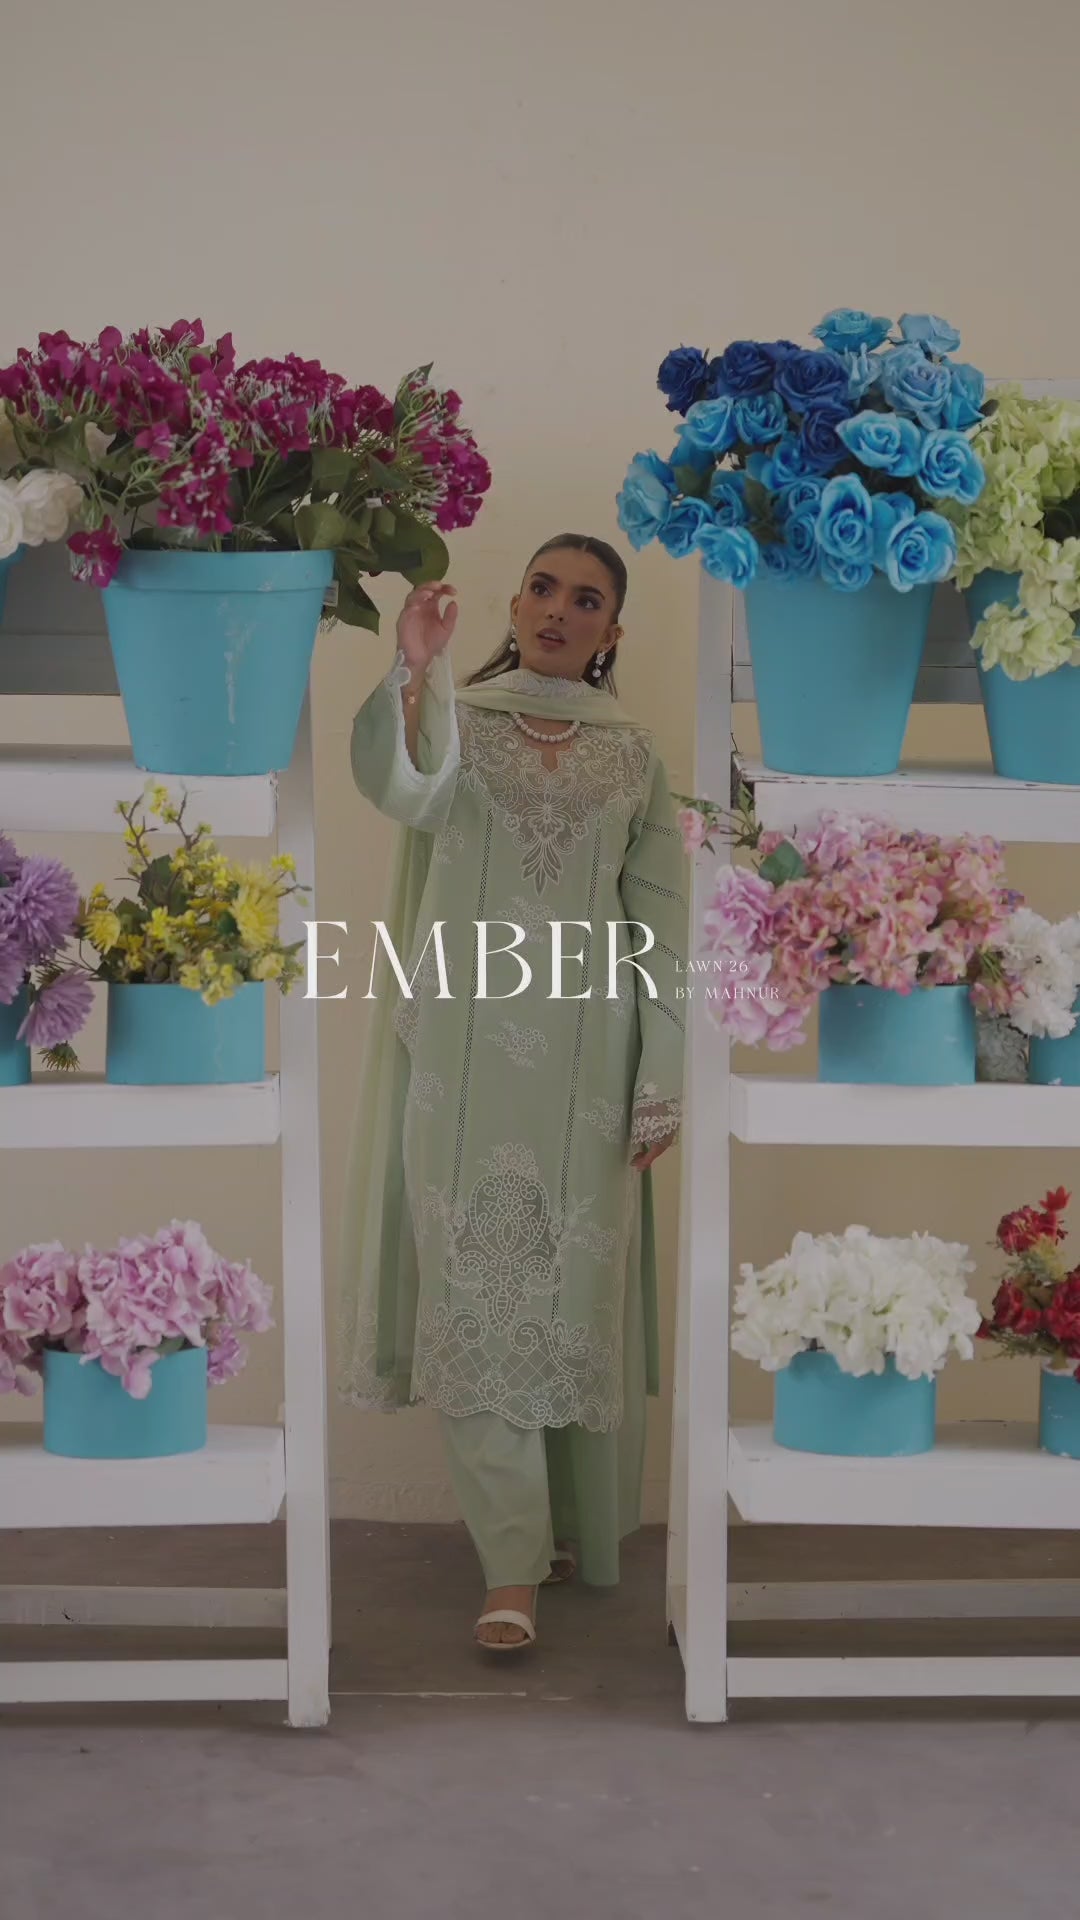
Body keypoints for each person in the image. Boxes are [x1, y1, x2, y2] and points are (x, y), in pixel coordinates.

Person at [338, 533, 688, 1653]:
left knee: (574, 1292)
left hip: (591, 1066)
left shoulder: (633, 756)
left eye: (585, 600)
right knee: (478, 1284)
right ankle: (510, 1567)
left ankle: (571, 1528)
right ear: (515, 601)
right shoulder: (464, 722)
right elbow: (399, 788)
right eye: (542, 588)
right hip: (464, 1054)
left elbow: (664, 925)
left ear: (611, 632)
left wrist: (663, 1076)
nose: (557, 610)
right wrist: (414, 667)